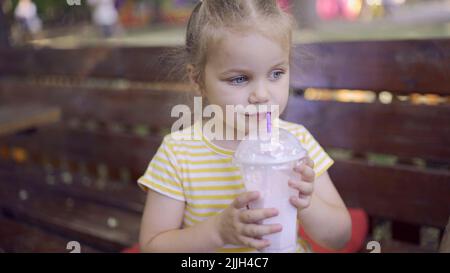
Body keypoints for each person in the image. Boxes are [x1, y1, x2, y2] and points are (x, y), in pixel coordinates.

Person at [138, 0, 351, 253]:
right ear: (198, 80)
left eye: (276, 73)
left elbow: (339, 237)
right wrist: (216, 232)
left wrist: (307, 202)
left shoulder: (297, 144)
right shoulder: (179, 153)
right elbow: (152, 246)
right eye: (239, 78)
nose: (262, 94)